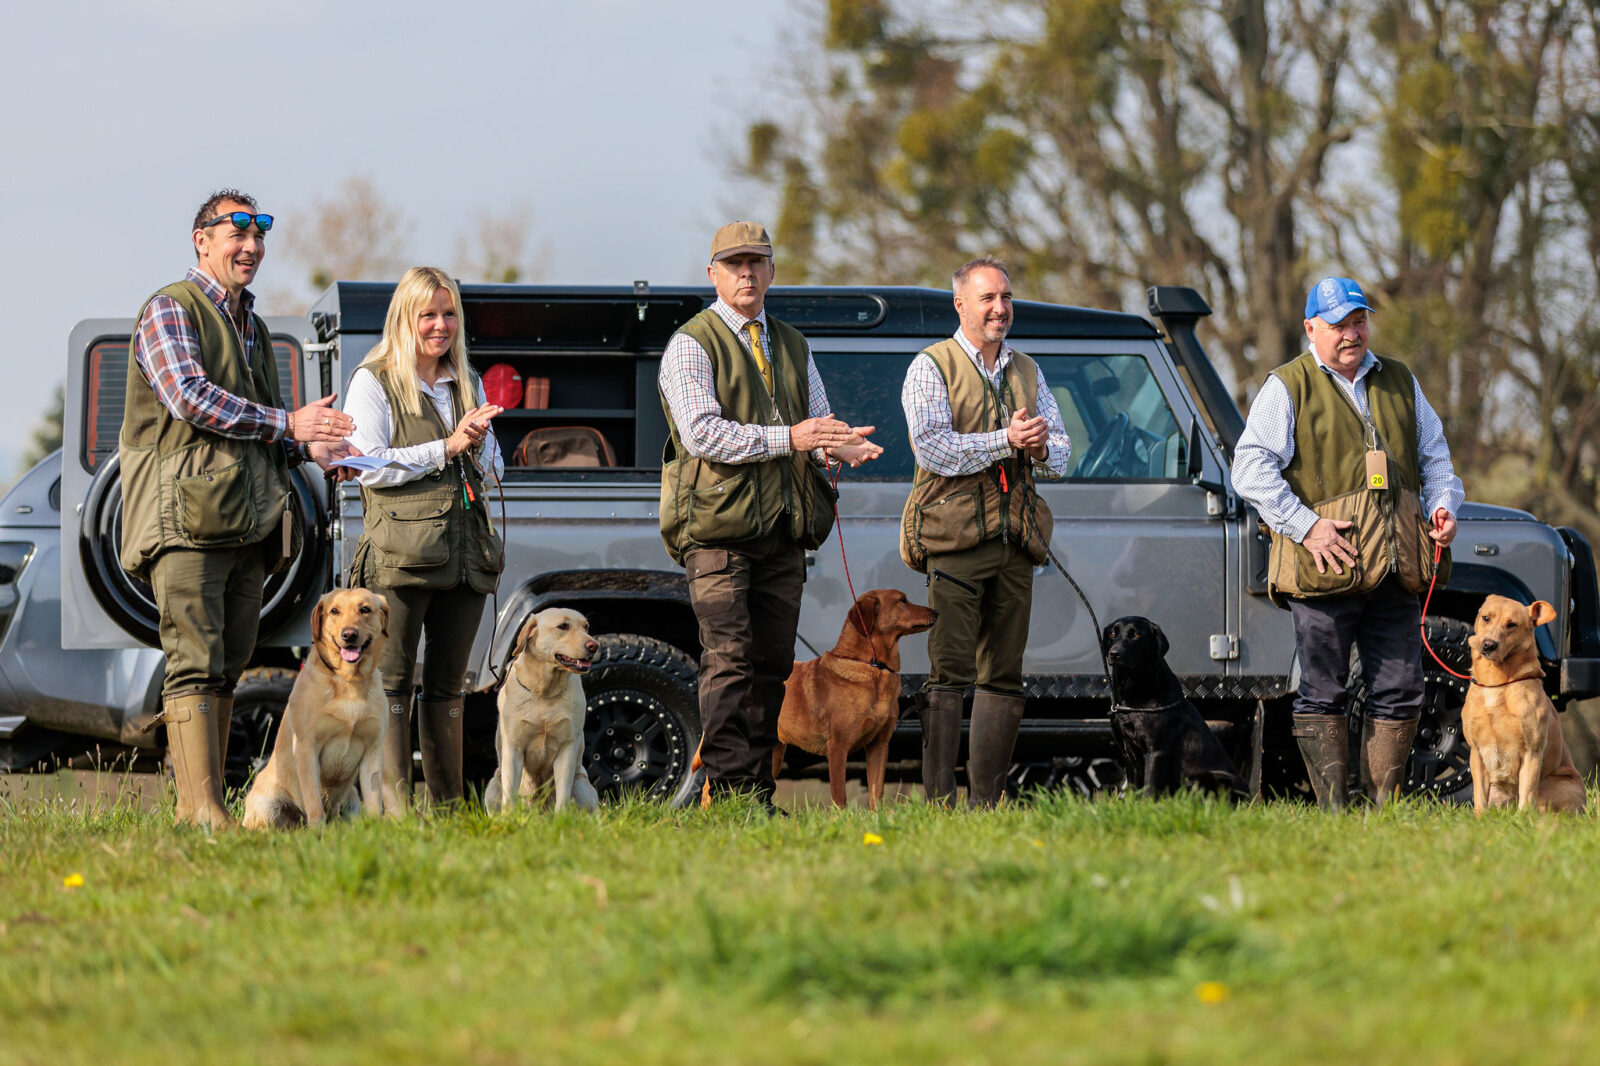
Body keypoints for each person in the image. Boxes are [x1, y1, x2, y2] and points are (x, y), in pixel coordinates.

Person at [122, 189, 358, 828]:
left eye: (259, 237)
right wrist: (289, 420)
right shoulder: (171, 309)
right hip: (186, 521)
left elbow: (265, 433)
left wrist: (312, 449)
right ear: (202, 239)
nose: (251, 247)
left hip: (244, 523)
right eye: (237, 234)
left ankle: (202, 809)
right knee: (195, 659)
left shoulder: (250, 324)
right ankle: (201, 815)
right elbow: (191, 398)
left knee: (226, 666)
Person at [658, 221, 881, 811]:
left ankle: (754, 795)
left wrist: (841, 444)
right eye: (734, 264)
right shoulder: (690, 343)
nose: (747, 273)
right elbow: (704, 434)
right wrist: (793, 437)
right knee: (728, 664)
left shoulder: (793, 342)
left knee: (772, 669)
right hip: (717, 533)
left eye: (757, 262)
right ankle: (728, 795)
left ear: (772, 271)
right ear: (713, 275)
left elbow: (817, 426)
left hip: (783, 533)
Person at [1232, 276, 1463, 809]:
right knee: (1323, 691)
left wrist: (1443, 507)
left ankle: (1383, 812)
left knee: (1402, 691)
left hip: (1398, 565)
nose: (1351, 333)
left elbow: (1435, 459)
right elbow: (1249, 468)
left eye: (1358, 321)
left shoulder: (1400, 381)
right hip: (1324, 567)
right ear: (1311, 328)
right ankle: (1335, 813)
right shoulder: (1286, 385)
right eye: (1338, 325)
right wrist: (1305, 525)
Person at [900, 256, 1072, 808]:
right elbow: (932, 447)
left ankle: (986, 806)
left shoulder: (1029, 370)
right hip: (953, 542)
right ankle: (939, 804)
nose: (1000, 309)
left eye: (1005, 297)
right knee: (948, 674)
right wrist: (1007, 440)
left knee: (1004, 676)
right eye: (987, 299)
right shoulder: (931, 366)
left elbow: (1063, 455)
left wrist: (1040, 446)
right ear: (961, 305)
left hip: (1015, 542)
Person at [344, 266, 505, 807]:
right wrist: (447, 447)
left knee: (449, 685)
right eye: (428, 315)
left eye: (449, 313)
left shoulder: (467, 380)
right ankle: (394, 813)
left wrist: (480, 444)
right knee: (391, 684)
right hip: (399, 558)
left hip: (464, 558)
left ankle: (450, 809)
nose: (441, 326)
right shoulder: (373, 380)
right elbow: (366, 464)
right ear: (405, 319)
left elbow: (496, 468)